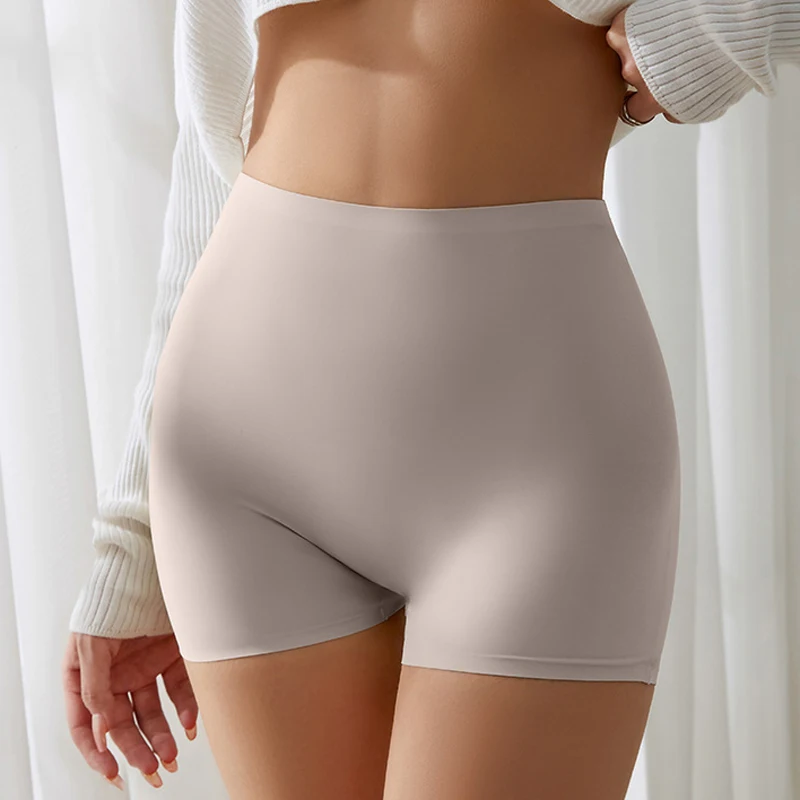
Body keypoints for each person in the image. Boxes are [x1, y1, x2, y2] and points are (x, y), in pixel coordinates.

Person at [62, 0, 800, 796]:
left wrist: (732, 19)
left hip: (533, 444)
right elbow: (215, 149)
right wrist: (130, 545)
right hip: (240, 440)